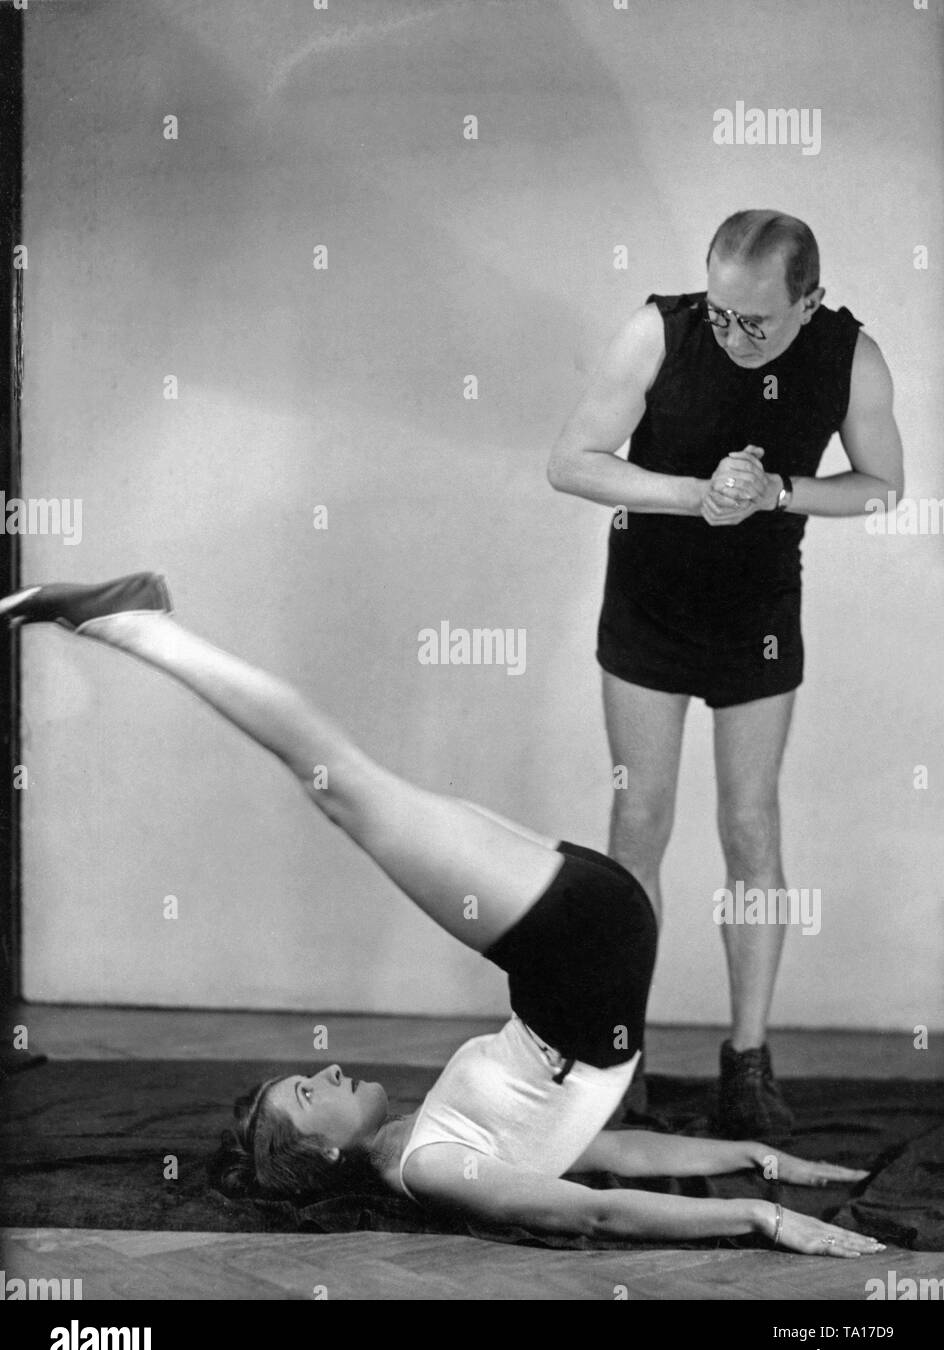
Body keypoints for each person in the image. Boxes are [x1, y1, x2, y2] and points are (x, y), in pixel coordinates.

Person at [1, 572, 883, 1256]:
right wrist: (764, 1220)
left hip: (580, 935)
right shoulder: (433, 1168)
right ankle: (134, 623)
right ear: (326, 1158)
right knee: (341, 785)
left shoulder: (424, 1133)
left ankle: (138, 621)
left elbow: (616, 1151)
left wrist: (756, 1159)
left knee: (356, 785)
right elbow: (596, 1209)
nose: (325, 1072)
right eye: (307, 1097)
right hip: (575, 941)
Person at [547, 210, 904, 1140]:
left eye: (757, 322)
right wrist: (693, 495)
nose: (733, 336)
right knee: (638, 824)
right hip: (648, 609)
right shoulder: (657, 330)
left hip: (757, 619)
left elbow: (882, 486)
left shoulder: (851, 355)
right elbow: (570, 462)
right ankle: (617, 1057)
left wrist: (780, 492)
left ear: (808, 304)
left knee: (751, 826)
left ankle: (746, 1062)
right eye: (719, 315)